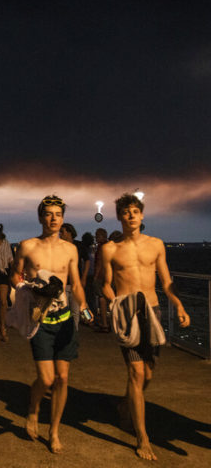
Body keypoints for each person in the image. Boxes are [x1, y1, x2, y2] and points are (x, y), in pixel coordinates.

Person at [100, 193, 191, 461]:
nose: (130, 215)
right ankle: (142, 437)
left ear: (141, 215)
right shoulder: (110, 249)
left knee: (148, 375)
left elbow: (166, 281)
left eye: (135, 211)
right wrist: (115, 303)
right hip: (127, 313)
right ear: (119, 216)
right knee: (137, 373)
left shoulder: (156, 245)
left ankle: (125, 404)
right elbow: (105, 283)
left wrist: (180, 305)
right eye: (125, 211)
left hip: (152, 311)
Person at [10, 195, 92, 454]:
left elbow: (76, 284)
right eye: (48, 214)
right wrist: (24, 287)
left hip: (65, 317)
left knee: (63, 377)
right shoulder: (27, 245)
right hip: (40, 319)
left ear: (63, 218)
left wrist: (86, 307)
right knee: (46, 379)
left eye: (58, 214)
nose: (54, 218)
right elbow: (14, 274)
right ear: (40, 217)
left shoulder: (70, 249)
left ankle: (54, 431)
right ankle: (33, 409)